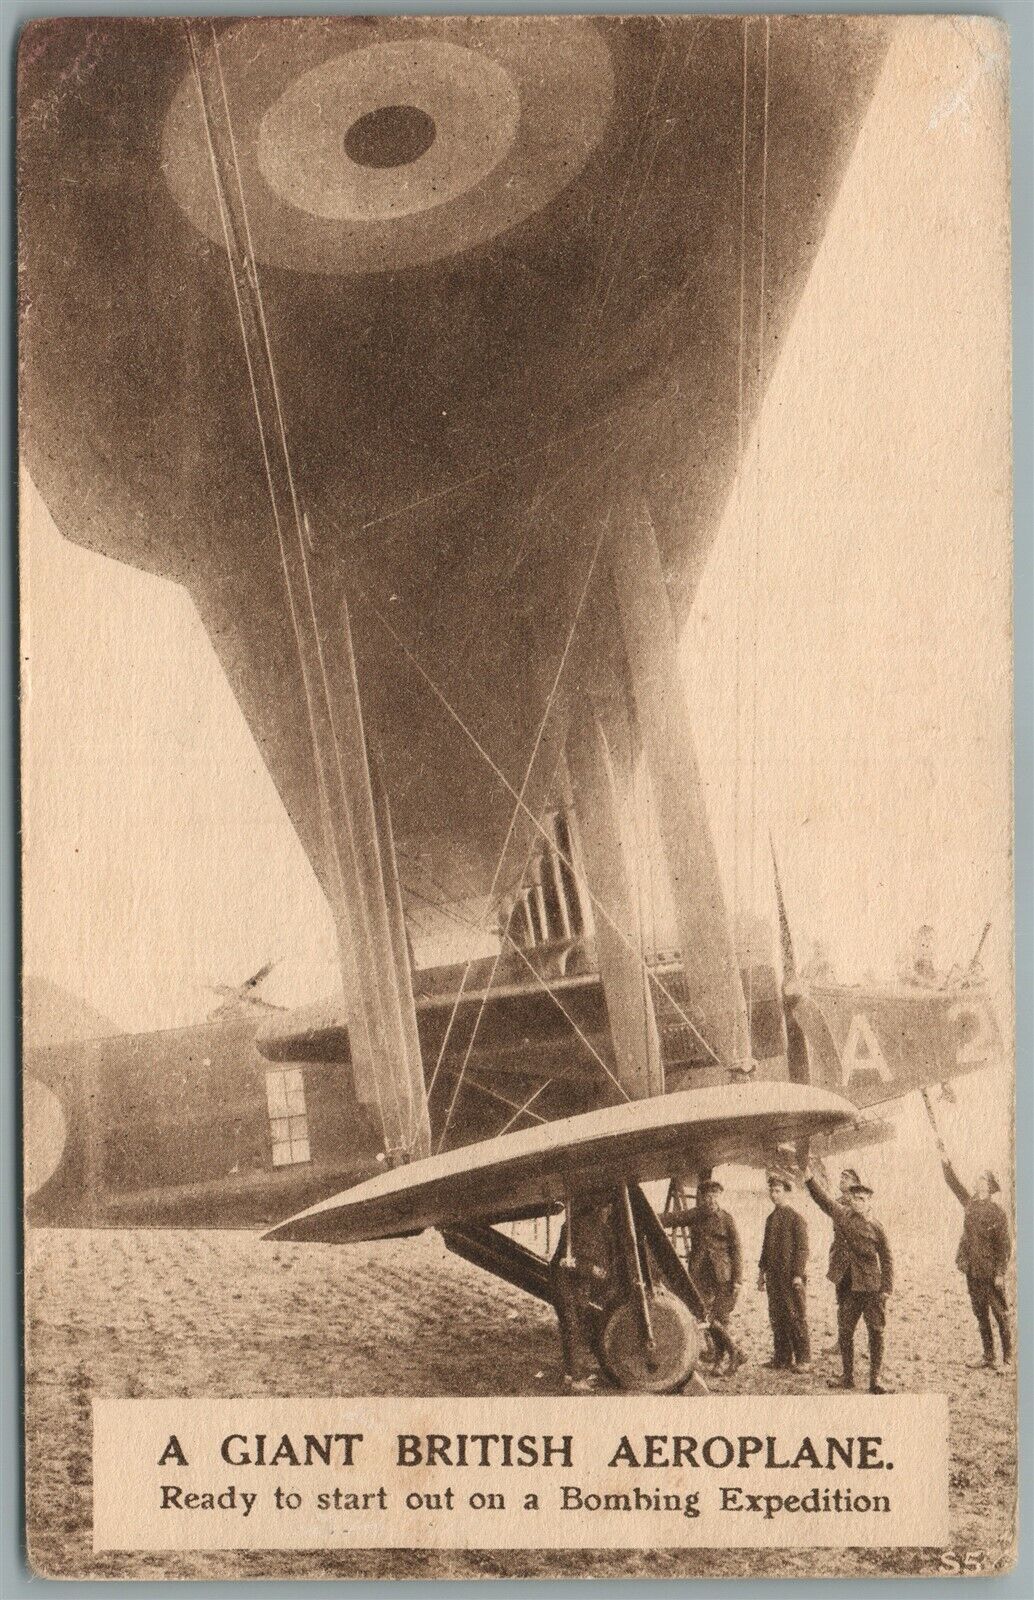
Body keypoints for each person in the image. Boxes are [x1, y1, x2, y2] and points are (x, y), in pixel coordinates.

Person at [804, 1164, 893, 1393]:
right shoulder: (843, 1216)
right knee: (845, 1331)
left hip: (872, 1288)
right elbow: (824, 1201)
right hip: (851, 1287)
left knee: (876, 1332)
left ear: (869, 1201)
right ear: (851, 1200)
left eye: (863, 1199)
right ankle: (848, 1376)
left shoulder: (876, 1227)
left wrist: (886, 1289)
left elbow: (887, 1259)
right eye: (856, 1199)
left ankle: (875, 1380)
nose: (859, 1203)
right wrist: (809, 1179)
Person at [934, 1137, 1012, 1369]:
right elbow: (954, 1184)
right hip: (972, 1270)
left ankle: (1007, 1359)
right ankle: (988, 1356)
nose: (979, 1185)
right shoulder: (970, 1204)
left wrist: (1000, 1273)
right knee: (980, 1313)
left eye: (983, 1182)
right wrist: (945, 1161)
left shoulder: (998, 1213)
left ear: (990, 1187)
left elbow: (1004, 1247)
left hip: (990, 1272)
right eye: (977, 1181)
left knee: (1000, 1314)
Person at [550, 1193, 619, 1392]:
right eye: (604, 1206)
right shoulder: (577, 1227)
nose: (607, 1211)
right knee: (572, 1327)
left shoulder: (599, 1228)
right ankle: (576, 1380)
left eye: (609, 1206)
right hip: (566, 1283)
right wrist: (593, 1270)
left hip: (578, 1285)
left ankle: (570, 1374)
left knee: (576, 1326)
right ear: (596, 1208)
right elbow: (569, 1261)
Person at [685, 1179, 746, 1375]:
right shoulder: (695, 1215)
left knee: (720, 1317)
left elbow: (737, 1250)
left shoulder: (727, 1219)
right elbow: (671, 1218)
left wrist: (737, 1280)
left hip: (723, 1275)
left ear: (719, 1196)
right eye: (707, 1195)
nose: (711, 1199)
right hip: (700, 1275)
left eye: (714, 1195)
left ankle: (721, 1360)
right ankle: (735, 1351)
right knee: (705, 1316)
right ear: (702, 1197)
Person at [757, 1171, 811, 1371]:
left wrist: (798, 1275)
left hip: (790, 1277)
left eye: (778, 1191)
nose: (774, 1194)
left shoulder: (796, 1218)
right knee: (777, 1316)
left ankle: (804, 1359)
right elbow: (765, 1248)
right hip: (774, 1277)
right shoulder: (771, 1218)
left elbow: (803, 1250)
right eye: (772, 1190)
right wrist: (761, 1274)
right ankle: (781, 1358)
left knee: (795, 1315)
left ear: (786, 1193)